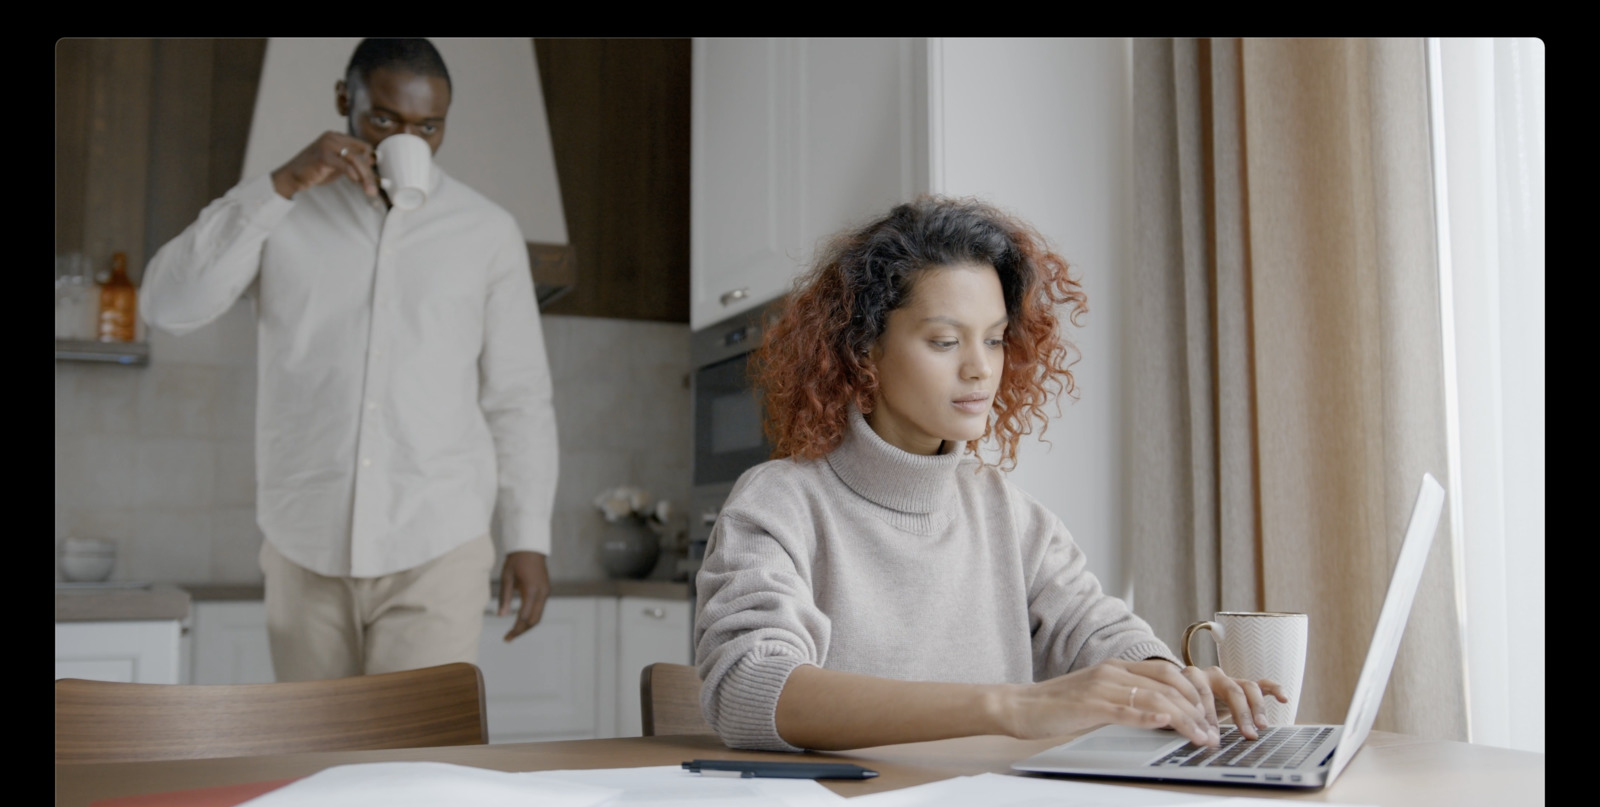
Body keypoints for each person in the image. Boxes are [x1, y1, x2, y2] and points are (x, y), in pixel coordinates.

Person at [694, 196, 1287, 752]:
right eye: (946, 341)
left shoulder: (1009, 515)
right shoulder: (780, 503)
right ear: (864, 350)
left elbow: (1096, 632)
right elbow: (749, 686)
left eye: (996, 340)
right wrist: (1013, 708)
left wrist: (1168, 684)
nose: (981, 369)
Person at [142, 38, 558, 681]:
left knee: (419, 767)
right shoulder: (279, 211)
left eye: (428, 126)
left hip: (438, 543)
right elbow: (168, 305)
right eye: (384, 120)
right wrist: (279, 185)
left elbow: (518, 395)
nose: (407, 139)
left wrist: (528, 535)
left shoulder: (488, 232)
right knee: (313, 764)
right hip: (302, 545)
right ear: (345, 99)